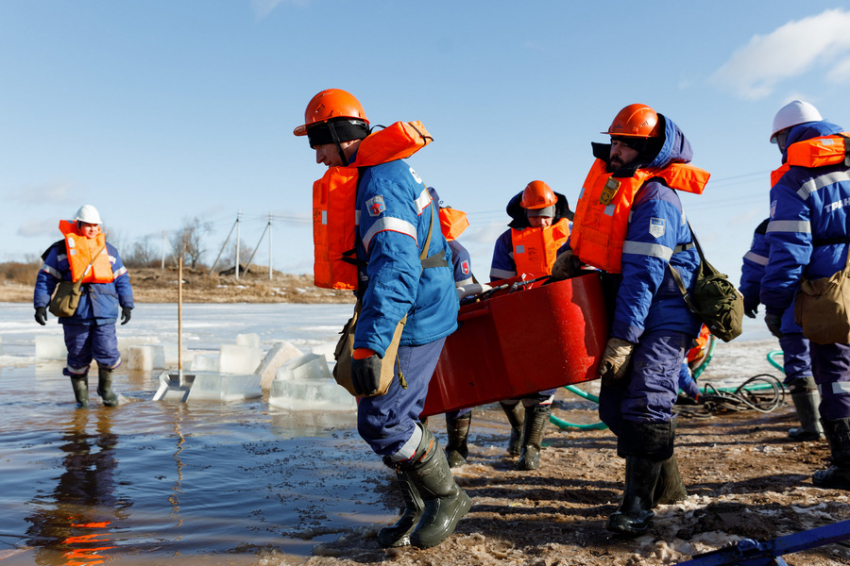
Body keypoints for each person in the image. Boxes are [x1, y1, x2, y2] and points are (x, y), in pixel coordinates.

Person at [293, 89, 469, 548]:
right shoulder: (377, 170)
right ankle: (415, 506)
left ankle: (447, 496)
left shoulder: (381, 180)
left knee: (382, 418)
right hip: (406, 302)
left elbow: (397, 267)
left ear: (336, 132)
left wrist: (372, 343)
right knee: (396, 412)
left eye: (318, 142)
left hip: (415, 309)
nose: (317, 157)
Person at [558, 104, 709, 535]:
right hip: (631, 306)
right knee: (614, 408)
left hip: (665, 310)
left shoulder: (657, 198)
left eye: (627, 144)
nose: (617, 150)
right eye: (616, 141)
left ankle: (638, 507)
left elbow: (644, 274)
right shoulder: (613, 186)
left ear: (652, 151)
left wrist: (623, 339)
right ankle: (670, 486)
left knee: (647, 399)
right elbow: (598, 239)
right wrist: (570, 255)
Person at [760, 100, 850, 490]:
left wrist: (776, 304)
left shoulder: (795, 180)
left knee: (835, 375)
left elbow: (788, 252)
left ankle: (847, 463)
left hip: (829, 289)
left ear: (784, 137)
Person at [490, 180, 572, 470]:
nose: (541, 220)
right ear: (524, 213)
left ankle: (531, 448)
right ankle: (518, 429)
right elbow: (498, 284)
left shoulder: (571, 234)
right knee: (508, 384)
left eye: (546, 214)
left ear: (555, 209)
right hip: (520, 315)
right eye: (534, 215)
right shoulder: (506, 240)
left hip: (559, 315)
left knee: (545, 384)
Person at [33, 205, 134, 409]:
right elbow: (46, 278)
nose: (92, 229)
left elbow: (122, 279)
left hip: (104, 312)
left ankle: (105, 391)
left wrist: (127, 304)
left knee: (107, 352)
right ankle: (82, 401)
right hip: (75, 313)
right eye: (88, 225)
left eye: (95, 225)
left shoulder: (110, 251)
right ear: (78, 224)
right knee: (77, 356)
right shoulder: (61, 250)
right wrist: (40, 305)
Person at [739, 217, 821, 441]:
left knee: (799, 364)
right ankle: (836, 424)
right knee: (836, 364)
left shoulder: (771, 225)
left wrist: (749, 298)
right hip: (835, 306)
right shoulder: (833, 216)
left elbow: (756, 265)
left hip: (791, 309)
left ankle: (812, 426)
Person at [428, 187, 476, 469]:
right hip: (412, 330)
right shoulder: (398, 247)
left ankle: (457, 448)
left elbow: (465, 295)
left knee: (458, 388)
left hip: (452, 329)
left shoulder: (457, 252)